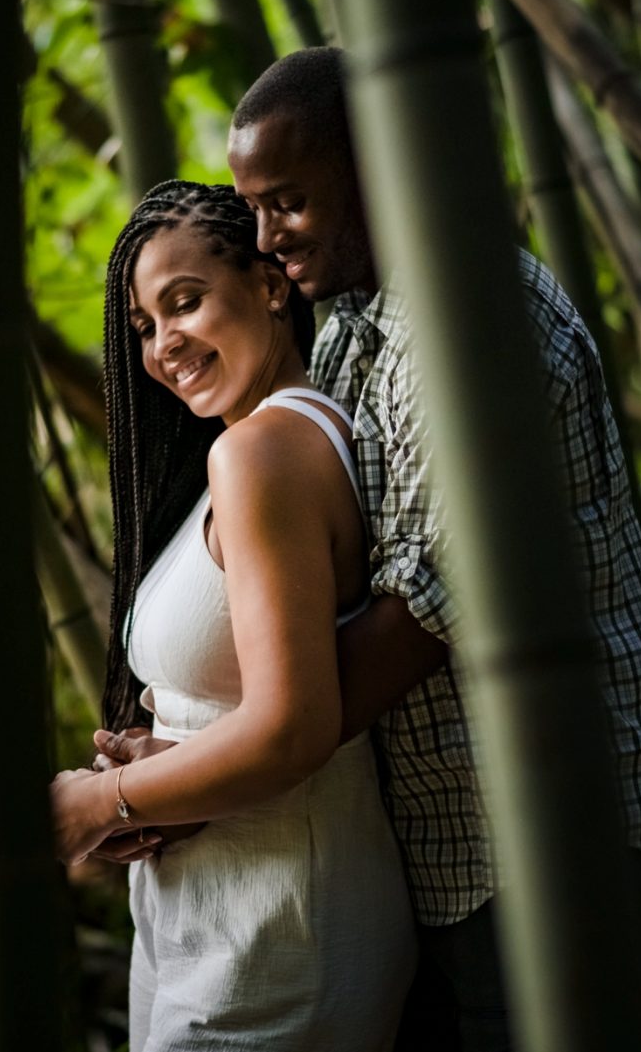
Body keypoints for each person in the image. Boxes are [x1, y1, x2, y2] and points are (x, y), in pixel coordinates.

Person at [93, 48, 641, 1051]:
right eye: (251, 209)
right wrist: (194, 760)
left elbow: (413, 625)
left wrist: (169, 783)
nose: (264, 237)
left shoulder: (477, 327)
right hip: (443, 846)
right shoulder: (354, 330)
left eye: (287, 201)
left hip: (543, 834)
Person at [50, 180, 416, 1050]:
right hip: (223, 922)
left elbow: (294, 727)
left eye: (185, 302)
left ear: (270, 285)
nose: (164, 343)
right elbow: (253, 699)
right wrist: (161, 768)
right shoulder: (256, 444)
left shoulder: (263, 453)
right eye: (143, 326)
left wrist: (101, 803)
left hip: (276, 935)